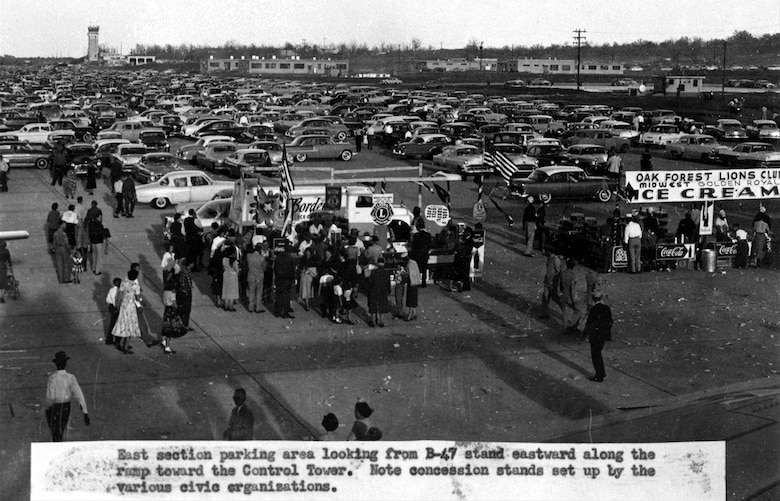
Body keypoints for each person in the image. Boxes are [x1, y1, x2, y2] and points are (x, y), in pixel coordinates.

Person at [45, 351, 90, 442]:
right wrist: (85, 412)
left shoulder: (52, 378)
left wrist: (48, 408)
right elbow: (78, 394)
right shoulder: (71, 378)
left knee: (55, 431)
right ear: (65, 364)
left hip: (55, 407)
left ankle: (56, 443)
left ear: (56, 365)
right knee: (61, 428)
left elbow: (50, 397)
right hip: (66, 407)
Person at [583, 291, 613, 382]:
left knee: (595, 355)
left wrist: (584, 335)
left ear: (593, 299)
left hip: (595, 335)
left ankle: (599, 375)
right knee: (598, 353)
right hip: (603, 335)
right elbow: (610, 321)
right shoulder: (606, 308)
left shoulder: (593, 309)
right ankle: (601, 373)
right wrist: (607, 333)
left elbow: (589, 324)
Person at [112, 269, 141, 354]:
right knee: (130, 325)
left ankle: (121, 343)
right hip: (131, 307)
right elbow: (138, 298)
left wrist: (118, 304)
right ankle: (126, 346)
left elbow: (120, 295)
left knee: (123, 324)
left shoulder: (123, 283)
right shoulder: (136, 286)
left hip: (124, 306)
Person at [161, 276, 186, 354]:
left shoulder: (165, 292)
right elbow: (175, 303)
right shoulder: (172, 293)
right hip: (171, 310)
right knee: (170, 329)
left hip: (166, 309)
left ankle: (163, 341)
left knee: (165, 326)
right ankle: (167, 347)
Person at [366, 257, 391, 327]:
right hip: (383, 291)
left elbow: (370, 282)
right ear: (384, 263)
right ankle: (381, 321)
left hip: (374, 290)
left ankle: (373, 321)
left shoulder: (373, 272)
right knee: (382, 306)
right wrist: (388, 291)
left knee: (373, 306)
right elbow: (388, 283)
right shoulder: (386, 272)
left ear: (377, 263)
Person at [273, 244, 296, 318]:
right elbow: (292, 271)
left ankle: (277, 312)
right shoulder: (290, 259)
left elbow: (275, 269)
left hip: (279, 279)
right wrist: (293, 280)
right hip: (287, 280)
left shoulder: (278, 257)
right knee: (286, 296)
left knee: (278, 295)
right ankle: (285, 312)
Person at [559, 258, 581, 335]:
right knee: (578, 312)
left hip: (563, 295)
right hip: (570, 297)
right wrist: (574, 299)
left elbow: (561, 285)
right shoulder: (572, 276)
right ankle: (571, 326)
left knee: (565, 313)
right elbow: (573, 289)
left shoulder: (563, 273)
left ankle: (564, 329)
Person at [246, 243, 268, 313]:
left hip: (251, 276)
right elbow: (264, 268)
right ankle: (258, 307)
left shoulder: (249, 256)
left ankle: (250, 307)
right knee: (259, 292)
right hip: (259, 276)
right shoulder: (262, 258)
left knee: (251, 292)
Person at [539, 252, 562, 319]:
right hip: (547, 280)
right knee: (545, 297)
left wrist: (553, 281)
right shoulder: (550, 259)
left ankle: (564, 310)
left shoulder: (555, 259)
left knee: (554, 297)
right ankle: (544, 314)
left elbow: (558, 271)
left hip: (552, 282)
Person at [409, 219, 432, 287]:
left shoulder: (416, 235)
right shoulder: (428, 235)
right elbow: (430, 245)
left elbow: (414, 245)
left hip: (418, 254)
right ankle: (424, 283)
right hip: (425, 254)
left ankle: (417, 281)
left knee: (418, 268)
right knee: (424, 268)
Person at [176, 258, 195, 330]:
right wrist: (186, 289)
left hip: (183, 291)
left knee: (182, 309)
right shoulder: (186, 272)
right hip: (186, 292)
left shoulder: (184, 270)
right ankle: (184, 325)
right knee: (186, 309)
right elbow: (186, 283)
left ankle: (182, 324)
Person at [297, 246, 317, 312]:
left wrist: (309, 271)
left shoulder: (313, 259)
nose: (307, 254)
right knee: (304, 290)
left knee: (309, 290)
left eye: (309, 252)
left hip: (309, 276)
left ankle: (308, 303)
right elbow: (300, 266)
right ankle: (307, 304)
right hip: (304, 276)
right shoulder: (303, 259)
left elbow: (314, 270)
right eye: (306, 252)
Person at [221, 246, 240, 311]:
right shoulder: (234, 261)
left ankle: (226, 305)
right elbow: (237, 269)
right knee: (232, 290)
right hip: (232, 276)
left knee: (226, 289)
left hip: (226, 275)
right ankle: (231, 306)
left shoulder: (224, 259)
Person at [105, 277, 121, 345]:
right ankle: (116, 339)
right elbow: (116, 301)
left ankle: (110, 339)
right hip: (115, 308)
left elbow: (108, 299)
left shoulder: (111, 290)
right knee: (116, 324)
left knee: (113, 323)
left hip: (111, 307)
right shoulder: (117, 291)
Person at [405, 257, 421, 321]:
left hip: (411, 283)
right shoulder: (414, 262)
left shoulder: (408, 265)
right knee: (414, 298)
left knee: (410, 299)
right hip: (416, 283)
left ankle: (410, 315)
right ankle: (414, 313)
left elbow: (409, 275)